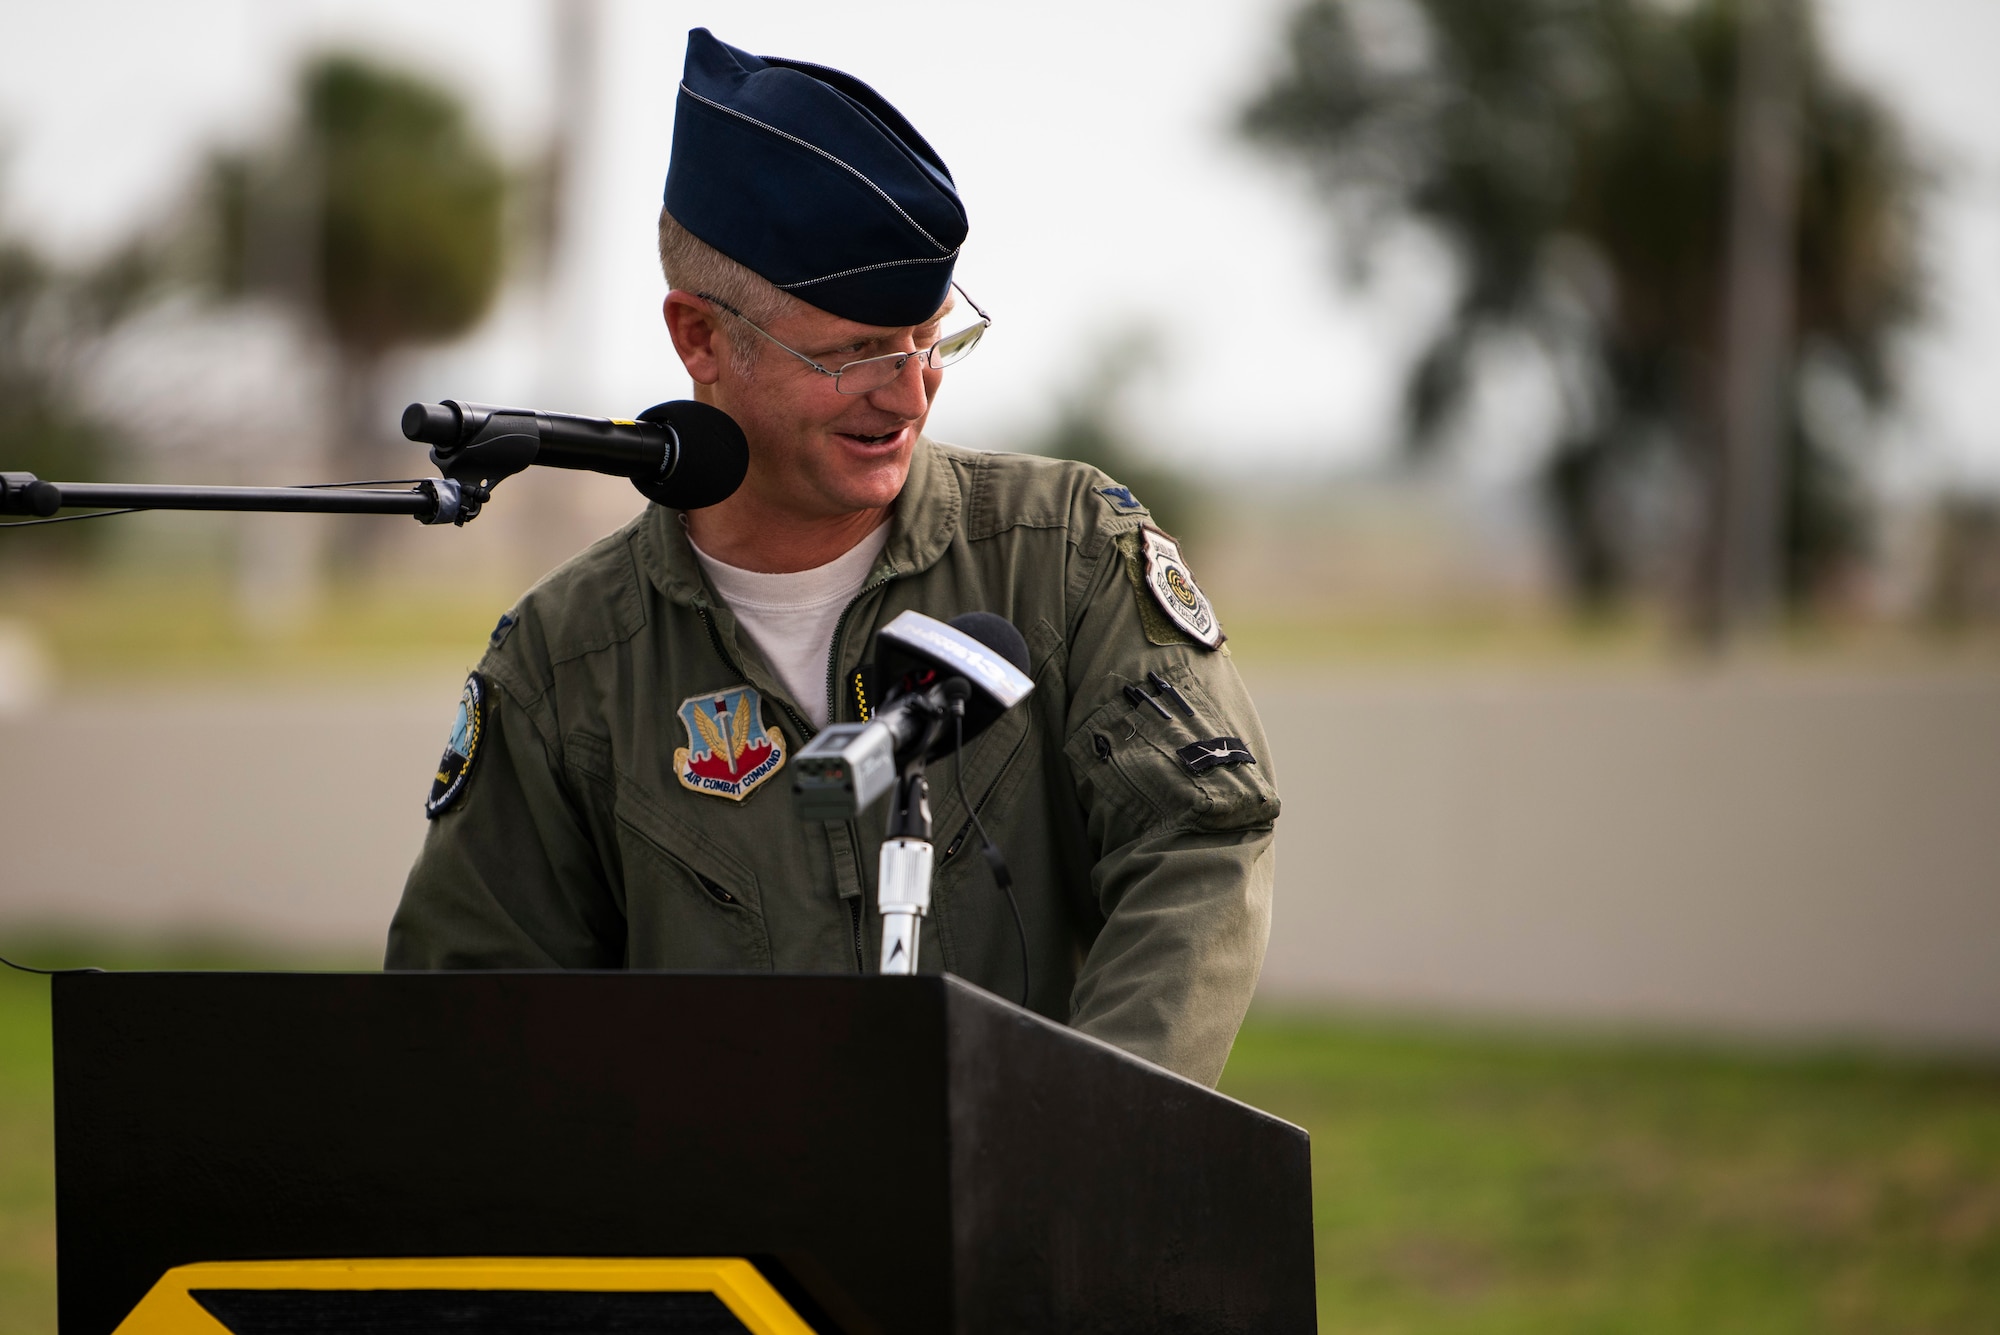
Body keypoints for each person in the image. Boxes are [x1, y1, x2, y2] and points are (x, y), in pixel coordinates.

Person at [386, 28, 1279, 1087]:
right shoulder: (567, 663)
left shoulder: (1068, 558)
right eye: (852, 354)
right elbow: (470, 1009)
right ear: (701, 341)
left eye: (928, 340)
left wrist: (1085, 1142)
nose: (905, 395)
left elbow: (1196, 845)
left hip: (1031, 1217)